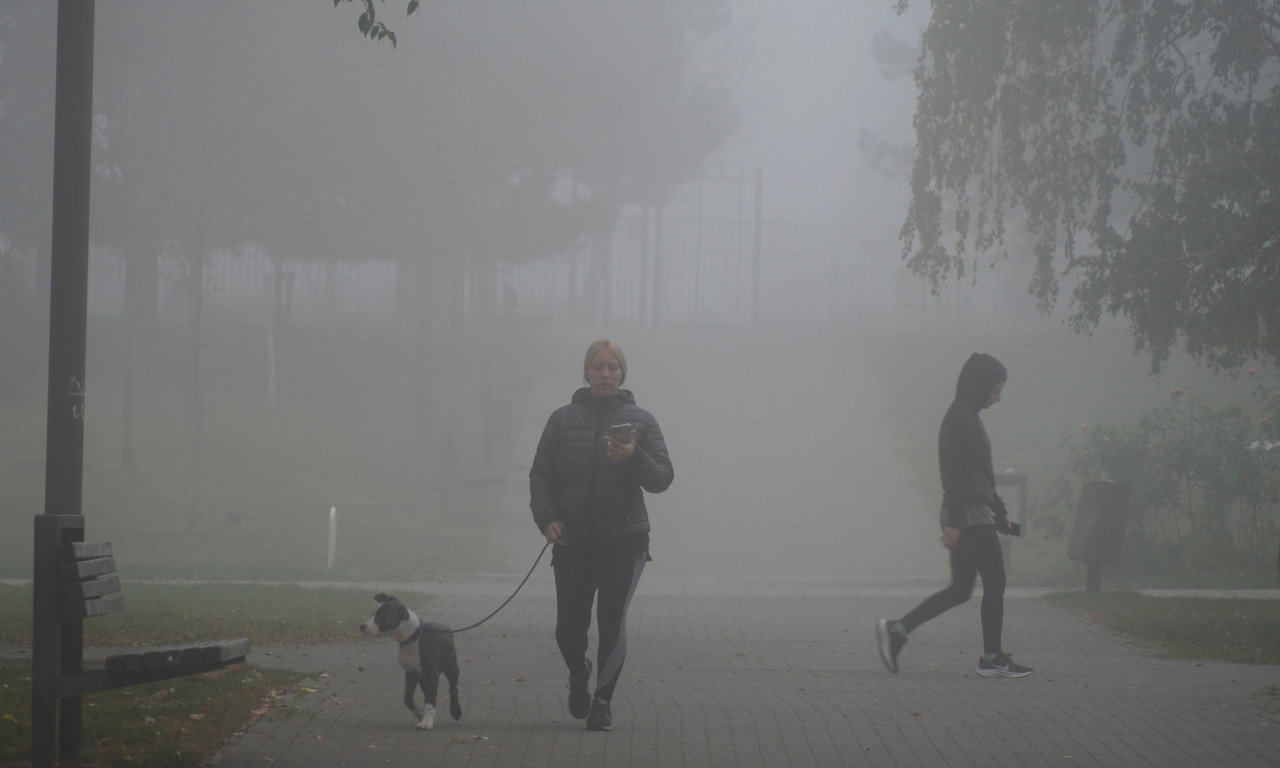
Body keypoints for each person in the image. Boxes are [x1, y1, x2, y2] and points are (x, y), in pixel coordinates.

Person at [530, 339, 674, 730]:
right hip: (572, 541)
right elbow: (541, 474)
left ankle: (603, 702)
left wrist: (635, 458)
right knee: (568, 628)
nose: (606, 374)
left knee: (611, 621)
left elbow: (663, 477)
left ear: (622, 373)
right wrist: (548, 518)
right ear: (587, 373)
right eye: (598, 367)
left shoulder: (641, 421)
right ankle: (579, 673)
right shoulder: (562, 419)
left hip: (624, 540)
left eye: (613, 367)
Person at [876, 352, 1033, 678]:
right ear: (978, 386)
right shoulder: (961, 420)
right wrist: (957, 523)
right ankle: (991, 657)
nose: (999, 398)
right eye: (995, 390)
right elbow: (957, 474)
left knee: (961, 589)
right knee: (994, 581)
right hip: (969, 515)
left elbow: (979, 473)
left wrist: (999, 513)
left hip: (974, 512)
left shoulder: (967, 417)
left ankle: (898, 631)